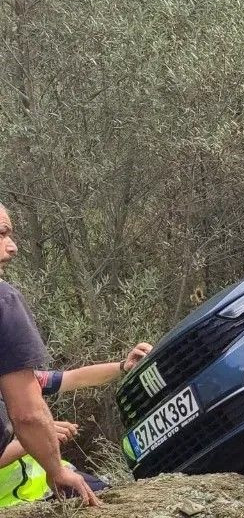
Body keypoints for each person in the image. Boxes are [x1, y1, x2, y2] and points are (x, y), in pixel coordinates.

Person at [0, 202, 101, 506]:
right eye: (2, 233)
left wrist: (124, 364)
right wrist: (56, 469)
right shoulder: (4, 301)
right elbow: (27, 412)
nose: (13, 246)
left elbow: (68, 378)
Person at [0, 345, 150, 507]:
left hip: (50, 481)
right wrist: (35, 439)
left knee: (108, 496)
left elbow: (74, 378)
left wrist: (123, 366)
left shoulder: (14, 381)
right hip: (12, 503)